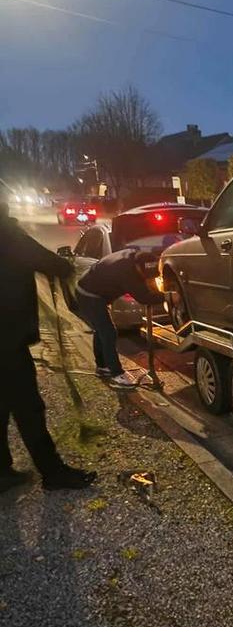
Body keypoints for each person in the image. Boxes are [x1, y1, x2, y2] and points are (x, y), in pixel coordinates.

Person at [0, 199, 97, 492]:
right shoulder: (6, 233)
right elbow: (48, 262)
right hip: (7, 338)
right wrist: (65, 266)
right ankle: (53, 473)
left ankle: (2, 472)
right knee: (29, 408)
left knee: (2, 406)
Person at [75, 249, 165, 389]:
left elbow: (149, 283)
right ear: (137, 267)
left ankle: (102, 367)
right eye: (145, 276)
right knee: (108, 332)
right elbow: (144, 298)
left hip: (95, 290)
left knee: (101, 330)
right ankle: (117, 375)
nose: (147, 279)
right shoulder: (126, 273)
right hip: (89, 294)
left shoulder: (136, 258)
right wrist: (168, 296)